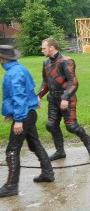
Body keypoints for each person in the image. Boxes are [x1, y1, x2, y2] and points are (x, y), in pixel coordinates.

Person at [0, 45, 54, 197]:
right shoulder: (19, 68)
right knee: (34, 144)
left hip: (24, 116)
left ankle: (11, 186)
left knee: (11, 150)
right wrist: (12, 113)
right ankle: (48, 173)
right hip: (28, 113)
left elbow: (19, 97)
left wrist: (18, 120)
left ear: (3, 58)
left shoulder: (13, 73)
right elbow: (28, 90)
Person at [37, 38, 90, 161]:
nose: (42, 50)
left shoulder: (67, 61)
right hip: (53, 98)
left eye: (44, 48)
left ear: (51, 48)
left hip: (66, 98)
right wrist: (39, 95)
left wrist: (65, 97)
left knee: (71, 126)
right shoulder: (46, 63)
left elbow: (73, 82)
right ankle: (60, 151)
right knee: (51, 125)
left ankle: (88, 142)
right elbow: (46, 81)